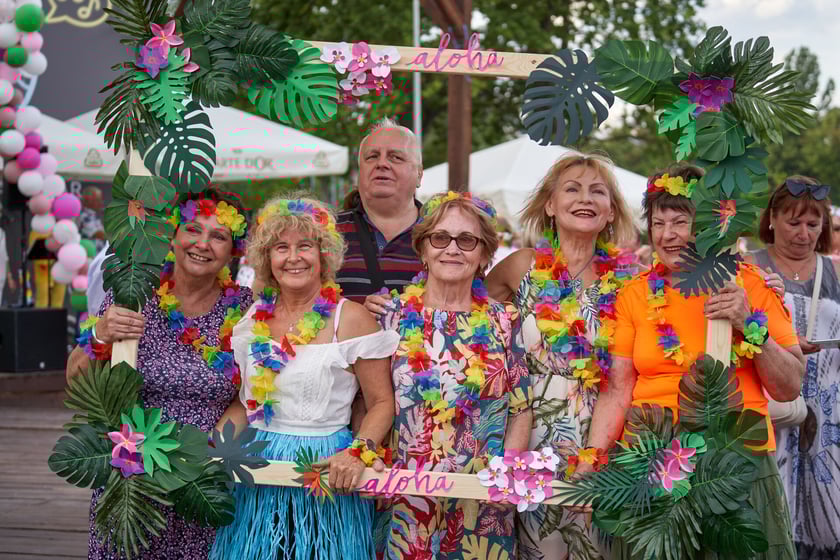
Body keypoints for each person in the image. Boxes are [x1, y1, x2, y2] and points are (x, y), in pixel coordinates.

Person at [605, 164, 805, 559]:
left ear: (713, 224)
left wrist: (750, 325)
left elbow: (790, 385)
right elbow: (617, 389)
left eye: (681, 221)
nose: (667, 234)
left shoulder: (751, 284)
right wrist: (594, 459)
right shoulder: (633, 294)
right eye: (658, 222)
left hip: (736, 459)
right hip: (652, 461)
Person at [65, 189, 253, 559]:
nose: (203, 243)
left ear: (234, 250)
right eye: (193, 230)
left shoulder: (246, 310)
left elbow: (248, 399)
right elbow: (76, 380)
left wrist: (203, 456)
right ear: (173, 235)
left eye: (218, 236)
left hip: (204, 478)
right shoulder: (133, 295)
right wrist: (100, 333)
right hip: (131, 477)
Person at [211, 196, 397, 560]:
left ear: (324, 255)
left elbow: (381, 402)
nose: (293, 257)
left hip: (326, 468)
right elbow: (243, 403)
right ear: (268, 259)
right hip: (256, 465)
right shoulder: (252, 319)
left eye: (305, 246)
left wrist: (357, 453)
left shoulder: (352, 318)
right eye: (281, 247)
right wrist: (211, 449)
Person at [485, 151, 638, 559]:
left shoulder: (632, 281)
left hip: (607, 434)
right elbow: (462, 314)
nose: (584, 198)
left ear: (610, 212)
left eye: (597, 191)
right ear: (550, 205)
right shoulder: (520, 267)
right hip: (528, 434)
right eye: (572, 189)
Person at [374, 192, 533, 560]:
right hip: (405, 501)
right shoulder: (389, 316)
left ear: (483, 255)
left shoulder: (506, 320)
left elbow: (521, 410)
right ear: (423, 249)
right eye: (440, 238)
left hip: (482, 505)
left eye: (467, 240)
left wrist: (505, 475)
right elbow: (370, 401)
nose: (452, 249)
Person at [750, 176, 840, 559]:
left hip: (829, 416)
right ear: (772, 218)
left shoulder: (835, 271)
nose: (803, 233)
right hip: (767, 409)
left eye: (813, 224)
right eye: (793, 222)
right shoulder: (748, 266)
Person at [336, 117, 424, 303]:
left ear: (419, 174)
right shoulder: (325, 232)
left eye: (396, 157)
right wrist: (356, 318)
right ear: (360, 171)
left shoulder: (444, 236)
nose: (382, 164)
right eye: (372, 156)